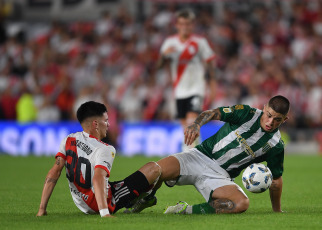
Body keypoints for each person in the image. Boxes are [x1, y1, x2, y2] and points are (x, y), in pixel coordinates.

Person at [125, 95, 290, 214]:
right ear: (264, 108)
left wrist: (277, 210)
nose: (270, 122)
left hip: (220, 177)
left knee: (241, 203)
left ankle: (185, 210)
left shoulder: (275, 145)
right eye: (269, 115)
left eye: (277, 119)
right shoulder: (246, 113)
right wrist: (196, 125)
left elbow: (276, 179)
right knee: (157, 169)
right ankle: (146, 198)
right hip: (198, 156)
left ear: (285, 120)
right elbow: (212, 113)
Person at [36, 101, 161, 217]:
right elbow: (98, 178)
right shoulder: (105, 149)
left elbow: (54, 172)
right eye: (106, 120)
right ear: (96, 124)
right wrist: (104, 212)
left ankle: (135, 199)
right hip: (97, 203)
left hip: (80, 201)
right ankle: (140, 201)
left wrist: (42, 208)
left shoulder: (69, 139)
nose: (109, 124)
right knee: (154, 169)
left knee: (116, 183)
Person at [157, 8, 216, 150]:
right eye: (182, 24)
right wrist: (164, 55)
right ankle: (199, 151)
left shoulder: (199, 42)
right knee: (186, 127)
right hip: (179, 90)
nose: (185, 27)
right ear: (176, 25)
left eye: (188, 24)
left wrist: (213, 85)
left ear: (192, 25)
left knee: (191, 122)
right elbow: (159, 66)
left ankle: (187, 157)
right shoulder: (170, 43)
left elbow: (210, 64)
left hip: (197, 88)